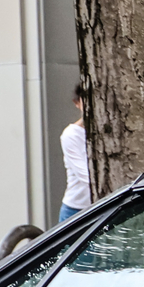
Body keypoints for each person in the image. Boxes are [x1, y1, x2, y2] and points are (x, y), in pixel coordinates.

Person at [57, 83, 91, 224]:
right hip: (76, 209)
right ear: (77, 103)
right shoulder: (71, 134)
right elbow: (85, 175)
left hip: (104, 208)